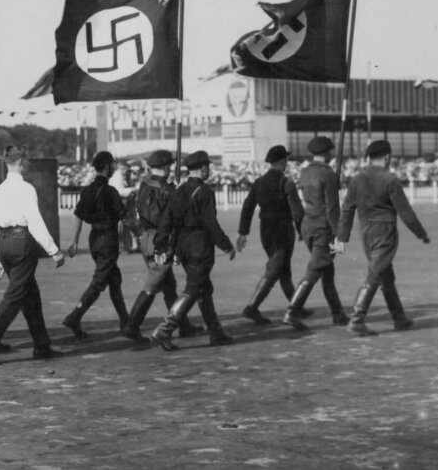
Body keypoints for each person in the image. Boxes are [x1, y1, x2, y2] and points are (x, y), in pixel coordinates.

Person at [0, 146, 67, 366]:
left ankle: (41, 345)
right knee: (15, 296)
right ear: (20, 162)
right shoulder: (26, 188)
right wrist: (54, 250)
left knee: (30, 295)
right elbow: (34, 221)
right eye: (28, 161)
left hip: (3, 243)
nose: (30, 165)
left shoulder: (0, 189)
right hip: (21, 242)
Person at [336, 140, 431, 335]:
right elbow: (405, 212)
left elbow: (347, 209)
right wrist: (421, 233)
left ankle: (399, 319)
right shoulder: (390, 180)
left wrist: (342, 237)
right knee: (375, 274)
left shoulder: (356, 179)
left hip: (365, 231)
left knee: (385, 274)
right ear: (387, 157)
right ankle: (356, 320)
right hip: (384, 230)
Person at [149, 151, 236, 352]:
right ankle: (165, 329)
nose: (209, 171)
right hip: (200, 246)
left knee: (204, 289)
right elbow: (210, 223)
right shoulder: (205, 192)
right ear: (204, 168)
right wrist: (226, 245)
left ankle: (216, 332)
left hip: (183, 246)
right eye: (208, 167)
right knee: (194, 289)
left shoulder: (178, 191)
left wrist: (161, 245)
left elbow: (167, 221)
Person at [119, 150, 199, 342]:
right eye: (169, 165)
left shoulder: (144, 185)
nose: (171, 168)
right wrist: (177, 192)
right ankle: (132, 326)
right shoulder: (165, 189)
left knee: (169, 286)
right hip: (160, 241)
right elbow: (168, 216)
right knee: (153, 283)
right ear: (165, 167)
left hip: (147, 237)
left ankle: (184, 325)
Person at [280, 136, 348, 329]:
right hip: (322, 227)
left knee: (327, 270)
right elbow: (332, 208)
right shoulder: (328, 175)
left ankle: (338, 314)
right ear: (327, 153)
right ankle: (292, 312)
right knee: (315, 270)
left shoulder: (305, 172)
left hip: (308, 225)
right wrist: (340, 236)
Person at [61, 151, 129, 341]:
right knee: (99, 282)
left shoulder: (87, 190)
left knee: (114, 279)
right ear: (107, 167)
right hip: (108, 239)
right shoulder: (110, 192)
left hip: (94, 240)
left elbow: (79, 216)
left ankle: (126, 321)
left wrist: (74, 241)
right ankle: (75, 316)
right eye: (112, 165)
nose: (114, 168)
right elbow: (124, 218)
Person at [236, 145, 304, 324]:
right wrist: (301, 230)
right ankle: (252, 308)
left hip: (265, 230)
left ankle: (296, 307)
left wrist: (243, 232)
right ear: (283, 162)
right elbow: (297, 211)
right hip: (283, 230)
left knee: (284, 270)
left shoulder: (259, 182)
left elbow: (248, 207)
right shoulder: (286, 182)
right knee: (276, 269)